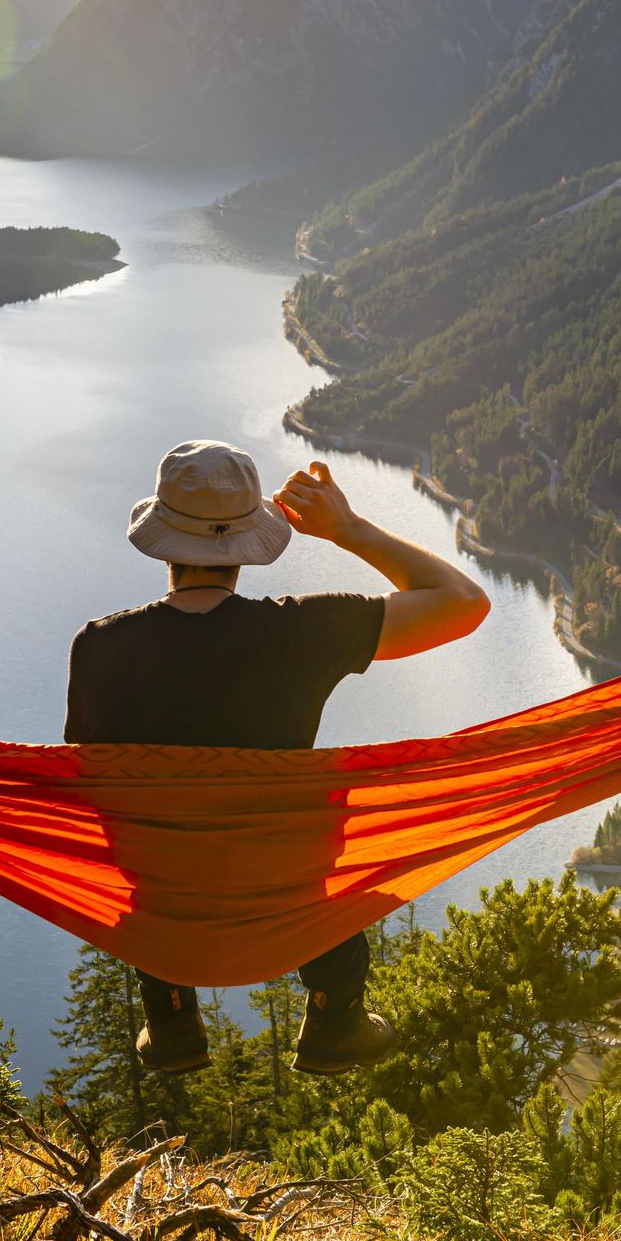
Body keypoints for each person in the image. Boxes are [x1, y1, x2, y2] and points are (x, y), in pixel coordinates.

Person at [64, 440, 490, 1076]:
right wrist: (348, 528)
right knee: (309, 821)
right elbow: (463, 602)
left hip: (167, 913)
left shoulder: (99, 648)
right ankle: (335, 1016)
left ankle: (171, 1017)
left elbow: (88, 790)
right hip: (291, 900)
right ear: (245, 550)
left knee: (145, 827)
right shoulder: (304, 633)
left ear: (164, 540)